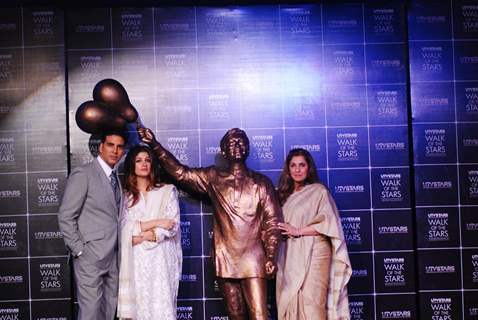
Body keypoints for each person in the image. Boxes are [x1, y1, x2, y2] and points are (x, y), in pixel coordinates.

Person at [138, 127, 282, 320]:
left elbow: (272, 222)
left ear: (248, 148)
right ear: (224, 151)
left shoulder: (261, 183)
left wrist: (271, 255)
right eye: (232, 143)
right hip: (226, 259)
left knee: (259, 314)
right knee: (235, 314)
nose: (238, 146)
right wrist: (155, 145)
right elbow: (181, 173)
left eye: (242, 142)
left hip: (254, 260)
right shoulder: (214, 178)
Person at [276, 148, 352, 320]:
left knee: (312, 303)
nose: (297, 169)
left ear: (308, 168)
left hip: (316, 253)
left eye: (301, 165)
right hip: (290, 255)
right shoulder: (283, 196)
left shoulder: (319, 192)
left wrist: (297, 231)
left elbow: (329, 225)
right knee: (291, 300)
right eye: (293, 165)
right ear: (288, 170)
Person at [58, 131, 127, 320]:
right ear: (101, 147)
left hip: (113, 257)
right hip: (90, 257)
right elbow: (66, 216)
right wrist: (80, 251)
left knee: (108, 310)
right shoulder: (84, 173)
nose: (115, 150)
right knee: (90, 312)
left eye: (119, 147)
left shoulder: (116, 178)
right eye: (111, 145)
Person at [117, 145, 182, 320]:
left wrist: (147, 235)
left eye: (147, 160)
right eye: (138, 161)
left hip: (161, 258)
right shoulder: (125, 197)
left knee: (161, 306)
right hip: (135, 261)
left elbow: (172, 224)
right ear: (132, 166)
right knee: (140, 307)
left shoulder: (166, 191)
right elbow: (123, 229)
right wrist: (156, 222)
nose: (144, 164)